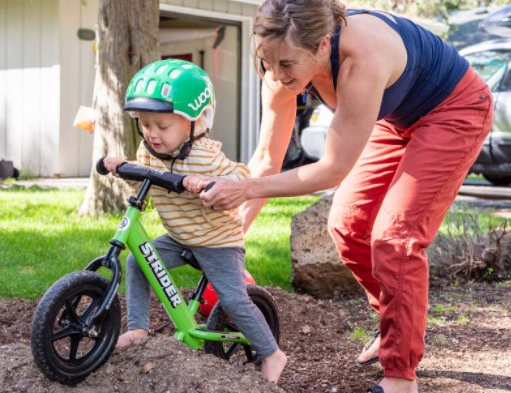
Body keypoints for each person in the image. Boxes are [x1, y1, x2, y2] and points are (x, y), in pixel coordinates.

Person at [186, 1, 493, 392]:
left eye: (286, 65)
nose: (277, 76)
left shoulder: (361, 56)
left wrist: (243, 188)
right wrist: (230, 236)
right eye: (268, 62)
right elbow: (266, 159)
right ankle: (395, 325)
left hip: (455, 109)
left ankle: (400, 376)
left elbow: (332, 169)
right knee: (347, 224)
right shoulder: (279, 68)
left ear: (321, 46)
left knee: (395, 237)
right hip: (395, 119)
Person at [102, 58, 288, 384]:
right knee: (136, 261)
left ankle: (272, 353)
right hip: (180, 237)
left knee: (231, 297)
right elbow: (146, 177)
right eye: (145, 124)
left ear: (195, 122)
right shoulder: (148, 150)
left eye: (163, 126)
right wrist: (123, 167)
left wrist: (204, 180)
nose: (152, 134)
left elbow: (240, 176)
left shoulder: (203, 155)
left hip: (218, 241)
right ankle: (137, 328)